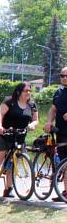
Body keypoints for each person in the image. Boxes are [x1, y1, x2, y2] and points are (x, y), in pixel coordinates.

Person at [0, 81, 39, 200]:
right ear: (19, 92)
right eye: (26, 90)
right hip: (5, 135)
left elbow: (36, 119)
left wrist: (33, 125)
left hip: (20, 137)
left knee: (13, 163)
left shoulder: (32, 105)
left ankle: (8, 189)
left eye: (30, 90)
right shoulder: (10, 101)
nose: (28, 93)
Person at [44, 66, 67, 200]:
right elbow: (53, 109)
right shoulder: (59, 92)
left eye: (66, 76)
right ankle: (65, 192)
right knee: (64, 162)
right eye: (62, 76)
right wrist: (48, 122)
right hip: (61, 132)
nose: (64, 78)